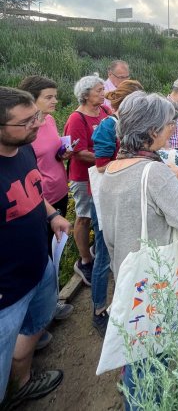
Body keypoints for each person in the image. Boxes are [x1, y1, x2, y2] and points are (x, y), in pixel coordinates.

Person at [97, 91, 178, 407]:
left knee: (138, 348)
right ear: (150, 131)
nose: (173, 128)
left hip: (129, 276)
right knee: (152, 363)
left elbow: (110, 237)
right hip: (157, 280)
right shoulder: (155, 172)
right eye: (168, 124)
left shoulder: (110, 172)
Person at [0, 87, 71, 408]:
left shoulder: (23, 149)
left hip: (38, 266)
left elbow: (31, 189)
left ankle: (24, 381)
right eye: (26, 121)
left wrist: (52, 213)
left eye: (37, 117)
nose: (37, 125)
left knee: (34, 326)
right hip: (6, 289)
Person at [18, 75, 74, 323]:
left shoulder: (49, 121)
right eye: (48, 97)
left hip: (59, 191)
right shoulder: (21, 130)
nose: (55, 100)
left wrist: (63, 153)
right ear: (32, 100)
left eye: (55, 95)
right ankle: (36, 318)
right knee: (40, 256)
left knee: (53, 252)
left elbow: (50, 154)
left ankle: (48, 307)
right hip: (39, 199)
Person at [90, 80, 143, 337]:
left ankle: (121, 304)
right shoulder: (108, 127)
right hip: (106, 196)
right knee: (103, 253)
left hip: (124, 193)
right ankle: (99, 309)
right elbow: (101, 166)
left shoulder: (130, 125)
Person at [64, 75, 110, 286]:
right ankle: (84, 260)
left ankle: (97, 250)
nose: (103, 93)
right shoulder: (77, 119)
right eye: (99, 90)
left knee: (101, 214)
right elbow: (78, 152)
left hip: (102, 173)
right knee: (84, 217)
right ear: (85, 94)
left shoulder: (105, 112)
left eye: (103, 89)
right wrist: (108, 157)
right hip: (83, 177)